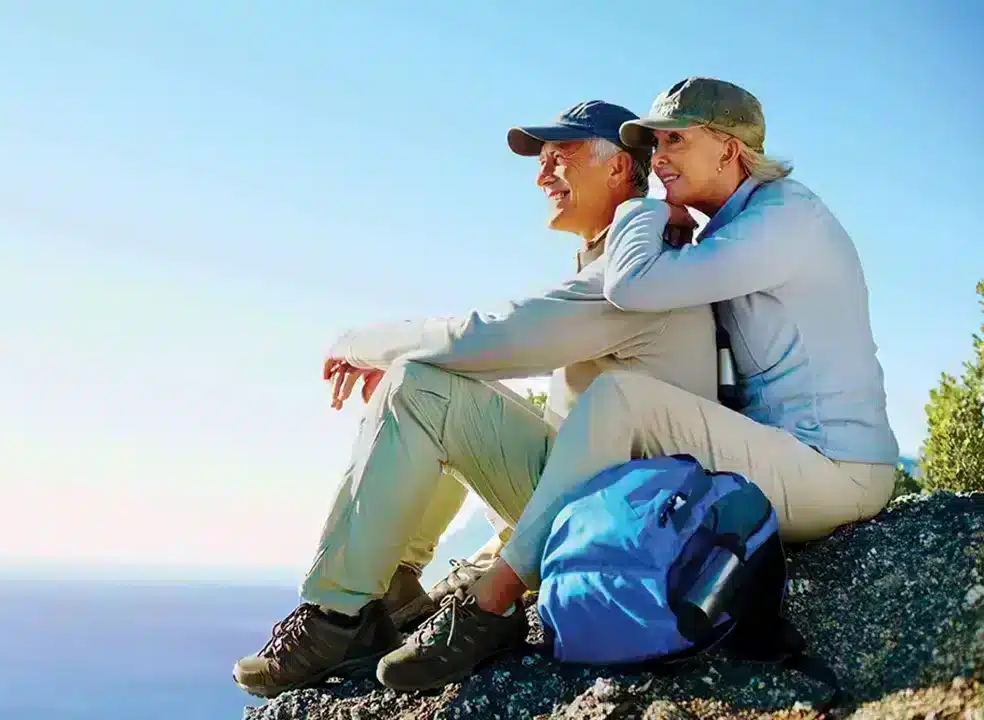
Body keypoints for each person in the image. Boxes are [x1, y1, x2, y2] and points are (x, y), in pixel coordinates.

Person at [380, 77, 900, 693]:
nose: (659, 159)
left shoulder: (784, 220)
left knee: (621, 395)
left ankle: (492, 602)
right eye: (653, 144)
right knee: (514, 403)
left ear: (730, 150)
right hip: (777, 458)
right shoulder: (730, 230)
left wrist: (642, 209)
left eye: (674, 140)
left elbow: (631, 286)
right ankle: (465, 567)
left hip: (835, 470)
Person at [233, 100, 720, 698]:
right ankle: (396, 584)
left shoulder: (640, 270)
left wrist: (360, 345)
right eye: (540, 161)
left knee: (422, 385)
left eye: (559, 158)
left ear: (620, 169)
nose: (542, 176)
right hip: (609, 494)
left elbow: (487, 336)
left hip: (627, 519)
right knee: (437, 383)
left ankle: (337, 619)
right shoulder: (624, 257)